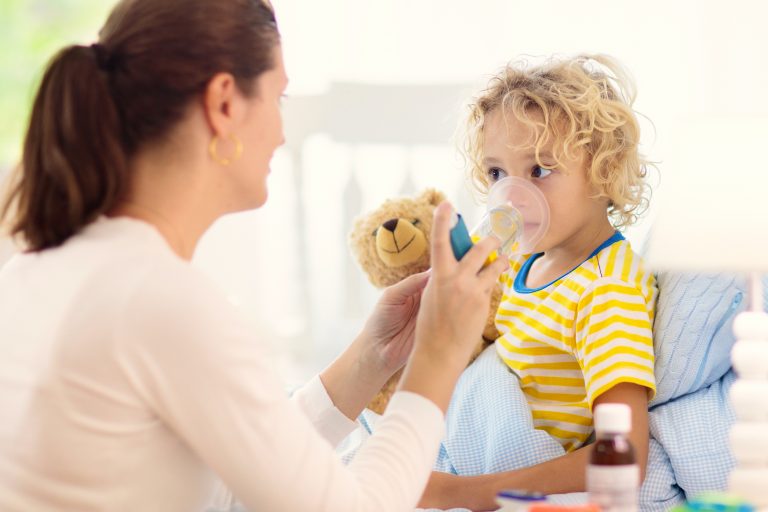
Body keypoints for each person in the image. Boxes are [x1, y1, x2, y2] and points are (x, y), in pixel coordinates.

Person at [0, 1, 508, 510]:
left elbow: (234, 482)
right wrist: (437, 357)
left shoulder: (42, 269)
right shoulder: (162, 301)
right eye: (277, 97)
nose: (282, 133)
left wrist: (372, 359)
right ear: (224, 103)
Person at [420, 55, 657, 510]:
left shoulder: (607, 291)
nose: (511, 195)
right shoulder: (521, 266)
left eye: (539, 171)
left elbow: (625, 457)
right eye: (496, 173)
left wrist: (461, 493)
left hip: (493, 485)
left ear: (605, 171)